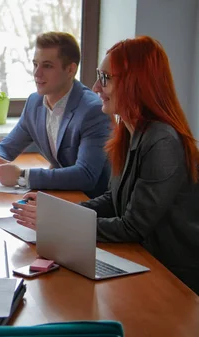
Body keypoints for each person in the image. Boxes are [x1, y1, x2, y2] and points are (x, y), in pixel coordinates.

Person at [11, 36, 199, 295]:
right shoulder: (130, 130)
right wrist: (59, 212)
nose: (95, 87)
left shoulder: (162, 141)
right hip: (143, 260)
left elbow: (132, 226)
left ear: (136, 83)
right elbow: (114, 198)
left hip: (174, 278)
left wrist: (57, 222)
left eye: (106, 78)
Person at [0, 32, 111, 198]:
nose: (37, 73)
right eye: (35, 64)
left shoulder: (92, 110)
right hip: (59, 196)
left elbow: (86, 176)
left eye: (47, 66)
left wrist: (22, 176)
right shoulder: (34, 102)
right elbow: (7, 146)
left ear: (70, 69)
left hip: (91, 202)